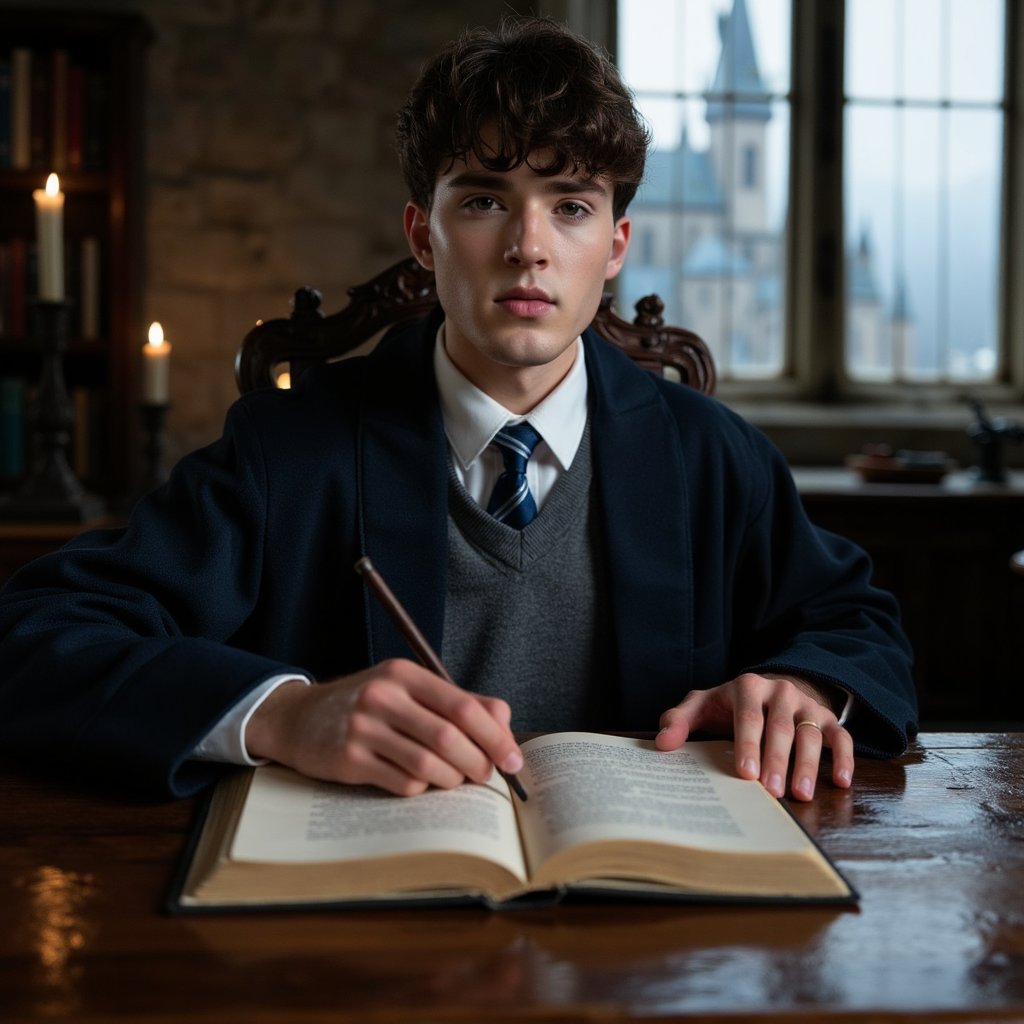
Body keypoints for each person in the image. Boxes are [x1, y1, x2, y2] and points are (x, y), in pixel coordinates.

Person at [0, 17, 917, 804]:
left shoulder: (716, 457)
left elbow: (861, 628)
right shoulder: (291, 451)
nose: (527, 248)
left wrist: (804, 686)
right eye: (483, 200)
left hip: (651, 950)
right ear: (423, 237)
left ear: (616, 247)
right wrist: (280, 713)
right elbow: (34, 639)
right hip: (371, 939)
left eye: (570, 207)